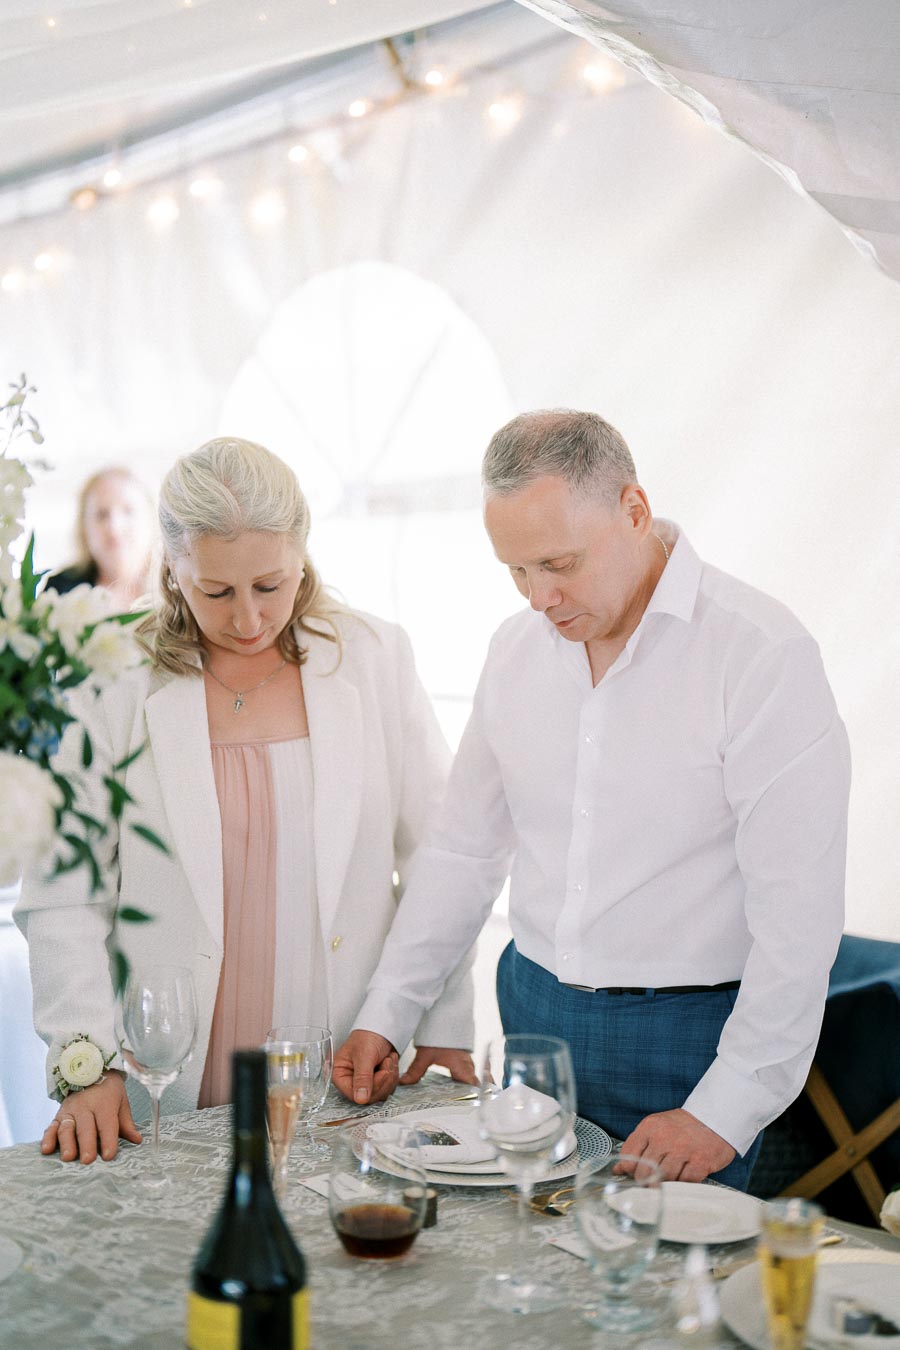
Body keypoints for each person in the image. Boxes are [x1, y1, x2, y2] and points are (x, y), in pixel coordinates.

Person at [333, 409, 851, 1190]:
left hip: (690, 1040)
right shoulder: (514, 652)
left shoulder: (759, 655)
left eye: (558, 562)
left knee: (661, 1298)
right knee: (529, 1283)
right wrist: (388, 1010)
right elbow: (464, 852)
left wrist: (725, 1107)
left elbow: (799, 916)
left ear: (633, 512)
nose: (540, 596)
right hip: (532, 1023)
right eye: (516, 570)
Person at [15, 437, 475, 1164]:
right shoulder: (111, 681)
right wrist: (87, 1062)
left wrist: (440, 1018)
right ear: (172, 569)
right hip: (163, 1078)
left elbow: (441, 858)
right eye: (216, 592)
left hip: (348, 1065)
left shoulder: (376, 659)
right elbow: (64, 890)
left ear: (303, 555)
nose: (248, 619)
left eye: (271, 585)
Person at [46, 466, 155, 609]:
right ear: (84, 527)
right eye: (101, 515)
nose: (114, 527)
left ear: (152, 518)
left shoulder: (176, 590)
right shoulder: (59, 591)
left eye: (128, 511)